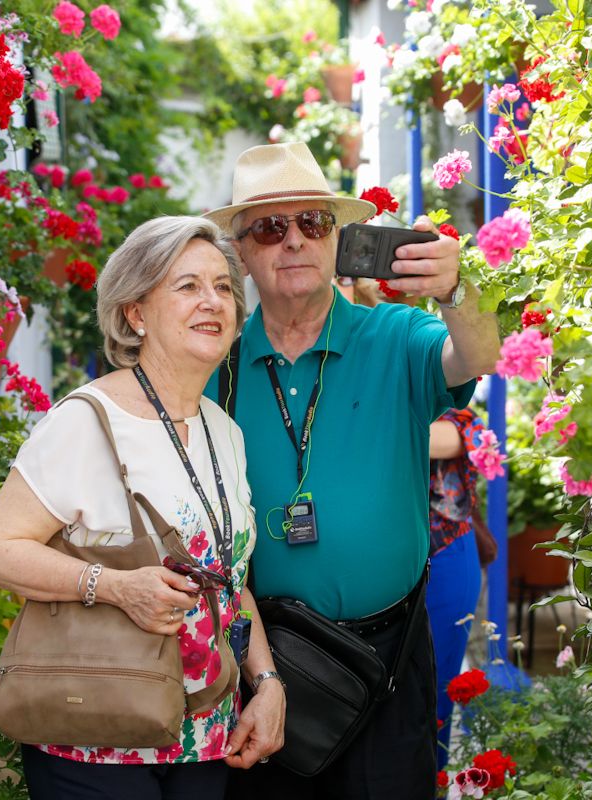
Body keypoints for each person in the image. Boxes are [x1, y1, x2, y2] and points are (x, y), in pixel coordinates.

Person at [204, 142, 501, 798]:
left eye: (313, 222)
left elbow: (480, 354)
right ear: (242, 253)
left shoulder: (394, 335)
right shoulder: (216, 367)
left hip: (388, 660)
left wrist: (456, 287)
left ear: (336, 238)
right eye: (269, 228)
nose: (293, 241)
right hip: (265, 667)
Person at [0, 216, 286, 800]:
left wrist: (265, 682)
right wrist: (114, 586)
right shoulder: (86, 420)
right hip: (97, 732)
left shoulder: (223, 431)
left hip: (204, 736)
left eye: (223, 286)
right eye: (187, 286)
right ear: (136, 313)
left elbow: (228, 577)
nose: (212, 300)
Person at [426, 409, 493, 769]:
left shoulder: (458, 416)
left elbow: (460, 436)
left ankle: (431, 784)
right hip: (378, 559)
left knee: (434, 696)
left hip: (445, 555)